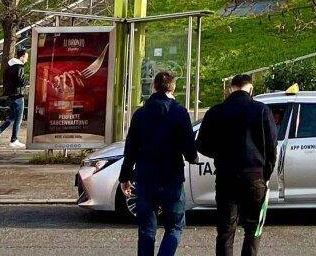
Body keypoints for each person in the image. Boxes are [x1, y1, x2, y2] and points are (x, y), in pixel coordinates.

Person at [197, 74, 279, 256]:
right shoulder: (262, 110)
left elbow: (201, 144)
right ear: (251, 89)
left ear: (230, 89)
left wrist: (219, 155)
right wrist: (265, 173)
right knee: (253, 229)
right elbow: (272, 145)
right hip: (254, 174)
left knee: (225, 230)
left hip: (226, 175)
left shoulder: (216, 111)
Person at [119, 71, 198, 256]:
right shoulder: (179, 112)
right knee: (175, 226)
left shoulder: (140, 114)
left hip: (146, 176)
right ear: (173, 88)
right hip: (171, 176)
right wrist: (193, 157)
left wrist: (125, 176)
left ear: (154, 87)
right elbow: (188, 146)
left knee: (146, 228)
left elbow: (130, 147)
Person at [0, 54, 27, 148]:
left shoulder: (8, 68)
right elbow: (21, 81)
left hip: (10, 95)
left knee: (12, 117)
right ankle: (14, 139)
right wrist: (27, 81)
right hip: (18, 95)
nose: (26, 60)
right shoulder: (19, 67)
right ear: (21, 57)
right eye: (26, 57)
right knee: (18, 118)